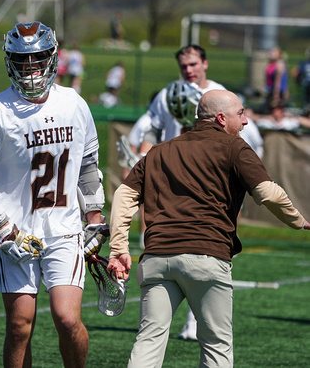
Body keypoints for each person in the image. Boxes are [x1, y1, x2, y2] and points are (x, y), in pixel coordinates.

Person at [108, 89, 310, 367]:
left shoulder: (159, 151)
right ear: (220, 118)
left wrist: (118, 248)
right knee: (217, 345)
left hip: (157, 257)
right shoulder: (235, 147)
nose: (246, 121)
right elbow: (268, 193)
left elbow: (123, 195)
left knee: (148, 341)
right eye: (240, 114)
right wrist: (298, 220)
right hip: (207, 256)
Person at [0, 22, 104, 367]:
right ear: (10, 62)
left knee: (68, 319)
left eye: (38, 59)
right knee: (19, 326)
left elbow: (88, 167)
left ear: (53, 58)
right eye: (22, 60)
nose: (31, 68)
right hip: (16, 232)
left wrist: (96, 221)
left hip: (65, 227)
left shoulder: (74, 102)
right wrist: (8, 230)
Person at [138, 45, 226, 340]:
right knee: (168, 252)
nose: (189, 70)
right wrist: (144, 155)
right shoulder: (169, 93)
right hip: (169, 179)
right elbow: (150, 126)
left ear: (205, 64)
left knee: (202, 251)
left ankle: (196, 321)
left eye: (193, 64)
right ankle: (157, 323)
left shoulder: (219, 96)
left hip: (205, 183)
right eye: (184, 66)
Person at [291, 46, 310, 111]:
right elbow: (294, 72)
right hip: (307, 85)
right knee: (306, 103)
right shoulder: (304, 63)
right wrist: (299, 81)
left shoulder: (304, 63)